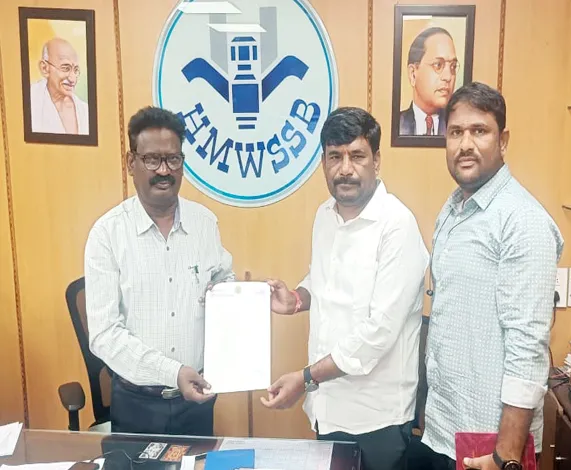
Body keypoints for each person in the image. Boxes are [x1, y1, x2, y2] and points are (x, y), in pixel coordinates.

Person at [260, 107, 430, 470]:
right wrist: (297, 299)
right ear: (323, 163)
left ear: (376, 161)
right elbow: (322, 279)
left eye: (357, 156)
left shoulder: (397, 226)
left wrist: (305, 378)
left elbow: (378, 333)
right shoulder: (325, 215)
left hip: (376, 420)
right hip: (327, 409)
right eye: (335, 157)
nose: (345, 168)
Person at [417, 82, 564, 470]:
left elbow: (528, 344)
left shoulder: (523, 221)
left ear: (503, 141)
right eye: (455, 132)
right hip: (445, 426)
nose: (465, 144)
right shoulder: (453, 209)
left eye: (479, 131)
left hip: (491, 443)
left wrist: (507, 455)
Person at [85, 106, 234, 436]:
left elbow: (224, 277)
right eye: (152, 159)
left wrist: (232, 296)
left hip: (197, 398)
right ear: (131, 163)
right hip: (137, 403)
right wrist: (172, 372)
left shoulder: (204, 224)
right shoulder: (107, 234)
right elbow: (104, 334)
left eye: (173, 159)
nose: (164, 170)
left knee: (197, 461)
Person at [399, 27, 458, 136]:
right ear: (413, 74)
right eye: (438, 65)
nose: (448, 77)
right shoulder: (396, 125)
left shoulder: (458, 127)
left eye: (453, 66)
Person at [30, 37, 89, 135]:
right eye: (66, 68)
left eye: (75, 70)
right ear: (44, 68)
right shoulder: (30, 100)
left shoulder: (84, 111)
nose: (72, 79)